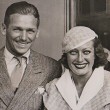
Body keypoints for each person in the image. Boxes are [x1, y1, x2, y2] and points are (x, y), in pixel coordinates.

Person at [0, 1, 62, 110]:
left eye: (30, 31)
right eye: (17, 29)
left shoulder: (51, 68)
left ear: (37, 32)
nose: (24, 37)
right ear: (4, 29)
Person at [43, 26, 110, 110]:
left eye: (86, 52)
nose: (80, 59)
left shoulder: (108, 84)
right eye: (73, 52)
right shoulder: (53, 88)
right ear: (66, 56)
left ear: (95, 54)